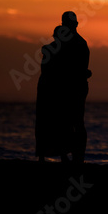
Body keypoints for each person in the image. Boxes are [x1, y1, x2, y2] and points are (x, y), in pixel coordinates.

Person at [35, 26, 72, 163]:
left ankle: (51, 155)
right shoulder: (59, 51)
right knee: (54, 122)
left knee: (53, 122)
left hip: (51, 89)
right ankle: (49, 155)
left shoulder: (54, 50)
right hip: (51, 89)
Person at [60, 11, 91, 164]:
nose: (66, 27)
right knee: (67, 121)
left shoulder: (78, 43)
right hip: (70, 86)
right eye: (64, 24)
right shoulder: (68, 43)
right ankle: (69, 156)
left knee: (75, 121)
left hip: (75, 87)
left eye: (68, 24)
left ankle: (77, 157)